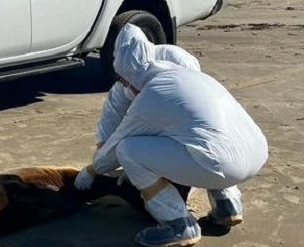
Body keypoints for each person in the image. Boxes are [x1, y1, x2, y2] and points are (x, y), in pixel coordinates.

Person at [75, 24, 268, 247]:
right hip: (256, 154)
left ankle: (178, 224)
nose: (126, 87)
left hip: (221, 165)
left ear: (129, 75)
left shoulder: (153, 93)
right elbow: (113, 111)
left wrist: (92, 170)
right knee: (200, 136)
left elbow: (119, 144)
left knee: (128, 150)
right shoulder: (187, 75)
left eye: (125, 81)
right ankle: (228, 205)